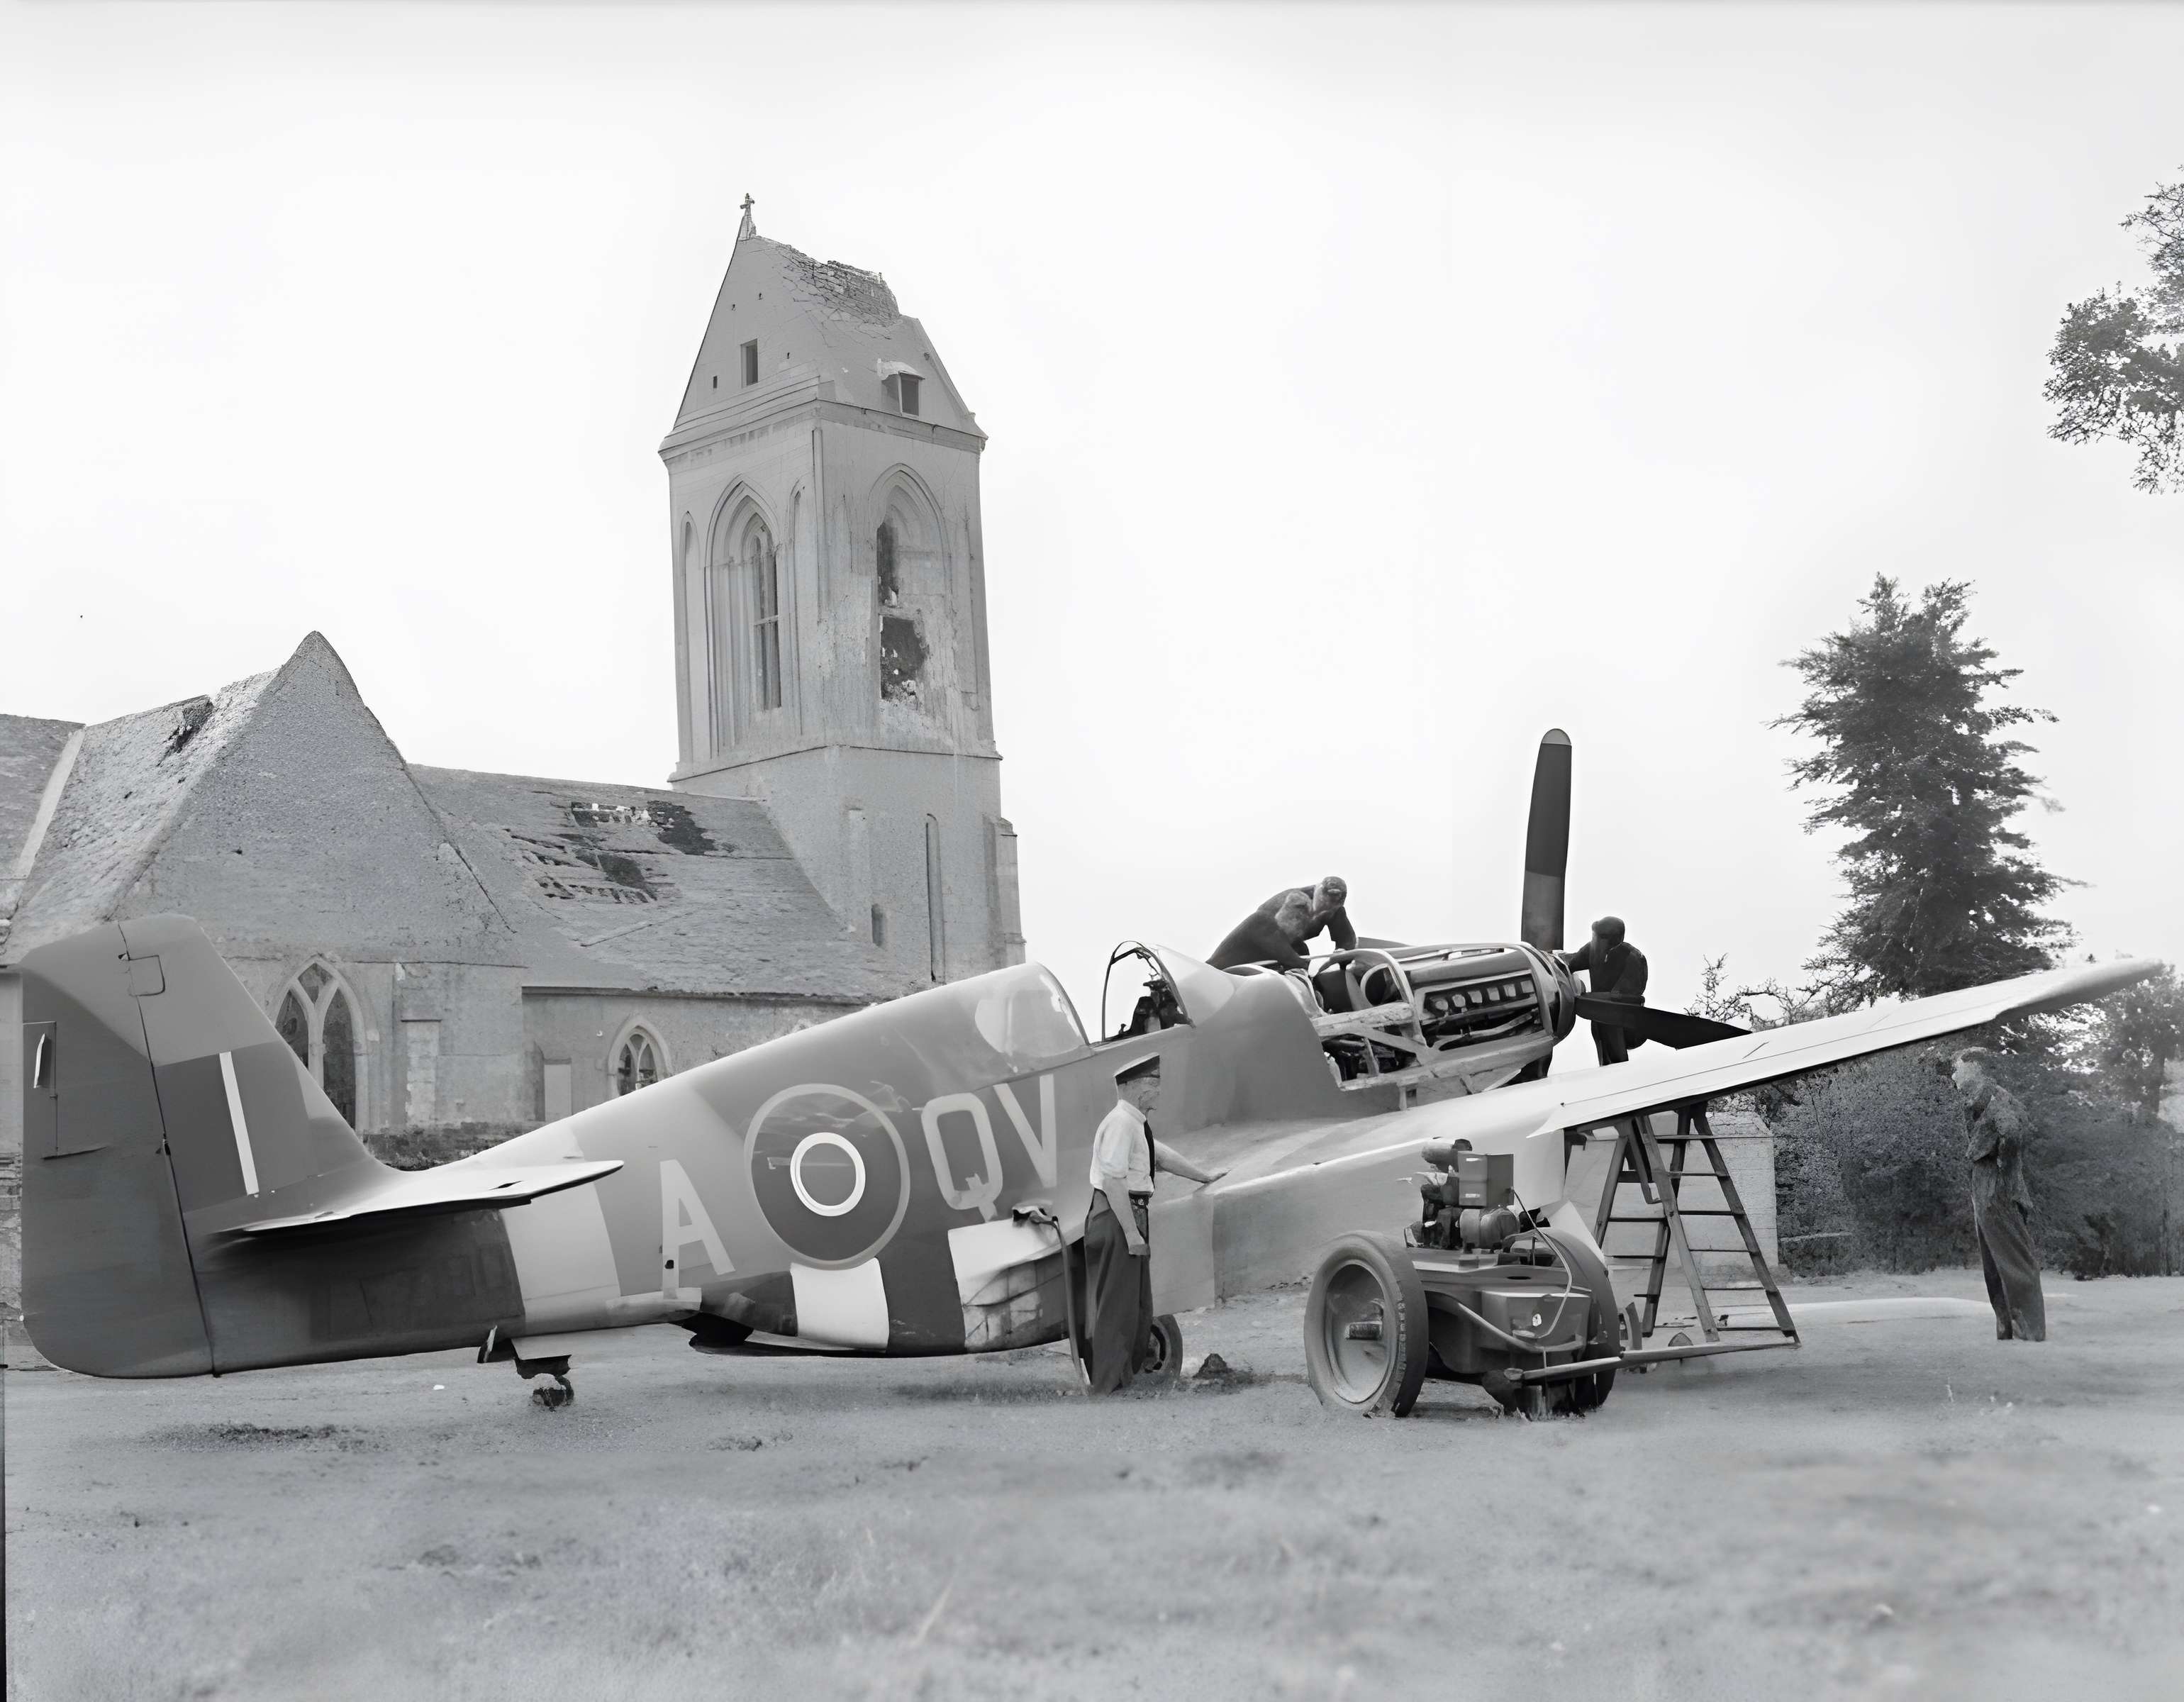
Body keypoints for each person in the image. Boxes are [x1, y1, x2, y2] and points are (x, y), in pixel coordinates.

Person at [1080, 1055, 1223, 1393]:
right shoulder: (1121, 1123)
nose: (1159, 1091)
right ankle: (1108, 1389)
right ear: (1141, 1088)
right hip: (1119, 1217)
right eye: (1155, 1084)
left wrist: (1203, 1176)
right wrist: (1131, 1233)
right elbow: (1114, 1180)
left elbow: (1159, 1156)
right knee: (1119, 1310)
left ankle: (1119, 1382)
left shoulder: (1133, 1123)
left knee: (1138, 1308)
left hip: (1127, 1216)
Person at [1941, 1047, 2046, 1342]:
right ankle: (2008, 1325)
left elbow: (2012, 1133)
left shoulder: (1996, 1097)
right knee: (1993, 1264)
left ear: (1975, 1067)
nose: (1954, 1075)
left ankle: (2030, 1329)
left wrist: (2003, 1167)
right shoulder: (1977, 1100)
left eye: (1958, 1068)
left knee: (2014, 1259)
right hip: (1984, 1186)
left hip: (1998, 1187)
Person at [1559, 915, 1649, 1065]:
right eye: (1595, 936)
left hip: (1626, 1021)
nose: (1596, 941)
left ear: (1615, 938)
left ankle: (1619, 1073)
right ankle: (1607, 1072)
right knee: (1603, 1046)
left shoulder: (1633, 958)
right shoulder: (1592, 950)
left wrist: (1589, 999)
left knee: (1612, 1033)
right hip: (1598, 1014)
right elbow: (1571, 965)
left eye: (1601, 937)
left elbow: (1627, 996)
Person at [1208, 891, 1316, 972]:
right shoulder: (1261, 921)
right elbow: (1290, 958)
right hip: (1216, 978)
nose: (1299, 920)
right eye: (1296, 913)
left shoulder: (1298, 947)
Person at [1257, 876, 1357, 953]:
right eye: (1331, 896)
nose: (1331, 902)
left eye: (1337, 897)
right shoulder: (1296, 901)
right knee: (1301, 951)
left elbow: (1346, 939)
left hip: (1292, 944)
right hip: (1264, 940)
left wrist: (1344, 954)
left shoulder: (1335, 910)